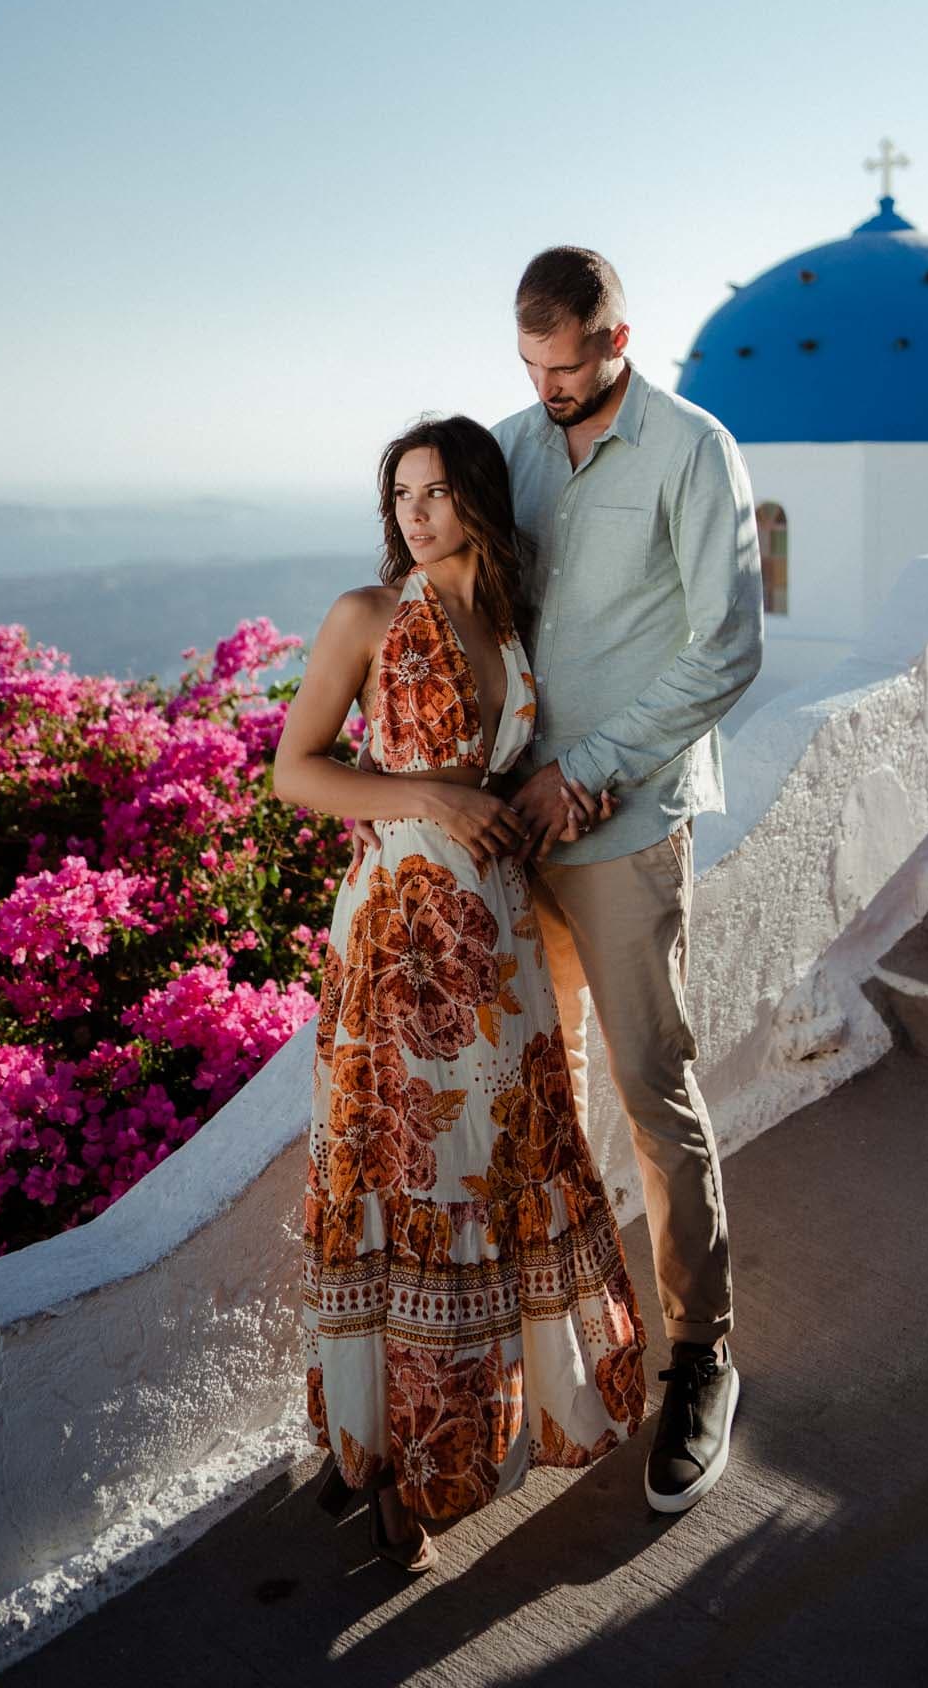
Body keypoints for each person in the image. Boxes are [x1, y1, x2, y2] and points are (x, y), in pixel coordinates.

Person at [272, 415, 647, 1573]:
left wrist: (549, 798)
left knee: (503, 1173)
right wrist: (429, 798)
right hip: (399, 948)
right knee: (413, 1181)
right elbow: (297, 770)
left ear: (481, 499)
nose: (417, 513)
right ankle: (391, 1477)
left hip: (501, 950)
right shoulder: (369, 618)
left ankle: (462, 1448)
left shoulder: (514, 630)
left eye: (437, 491)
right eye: (401, 494)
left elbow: (517, 770)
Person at [495, 244, 764, 1515]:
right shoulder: (505, 443)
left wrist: (589, 767)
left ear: (617, 338)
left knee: (655, 1095)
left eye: (570, 364)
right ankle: (548, 1359)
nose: (552, 389)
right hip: (505, 828)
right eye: (532, 366)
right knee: (530, 1096)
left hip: (622, 826)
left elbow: (728, 644)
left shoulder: (693, 448)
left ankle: (700, 1358)